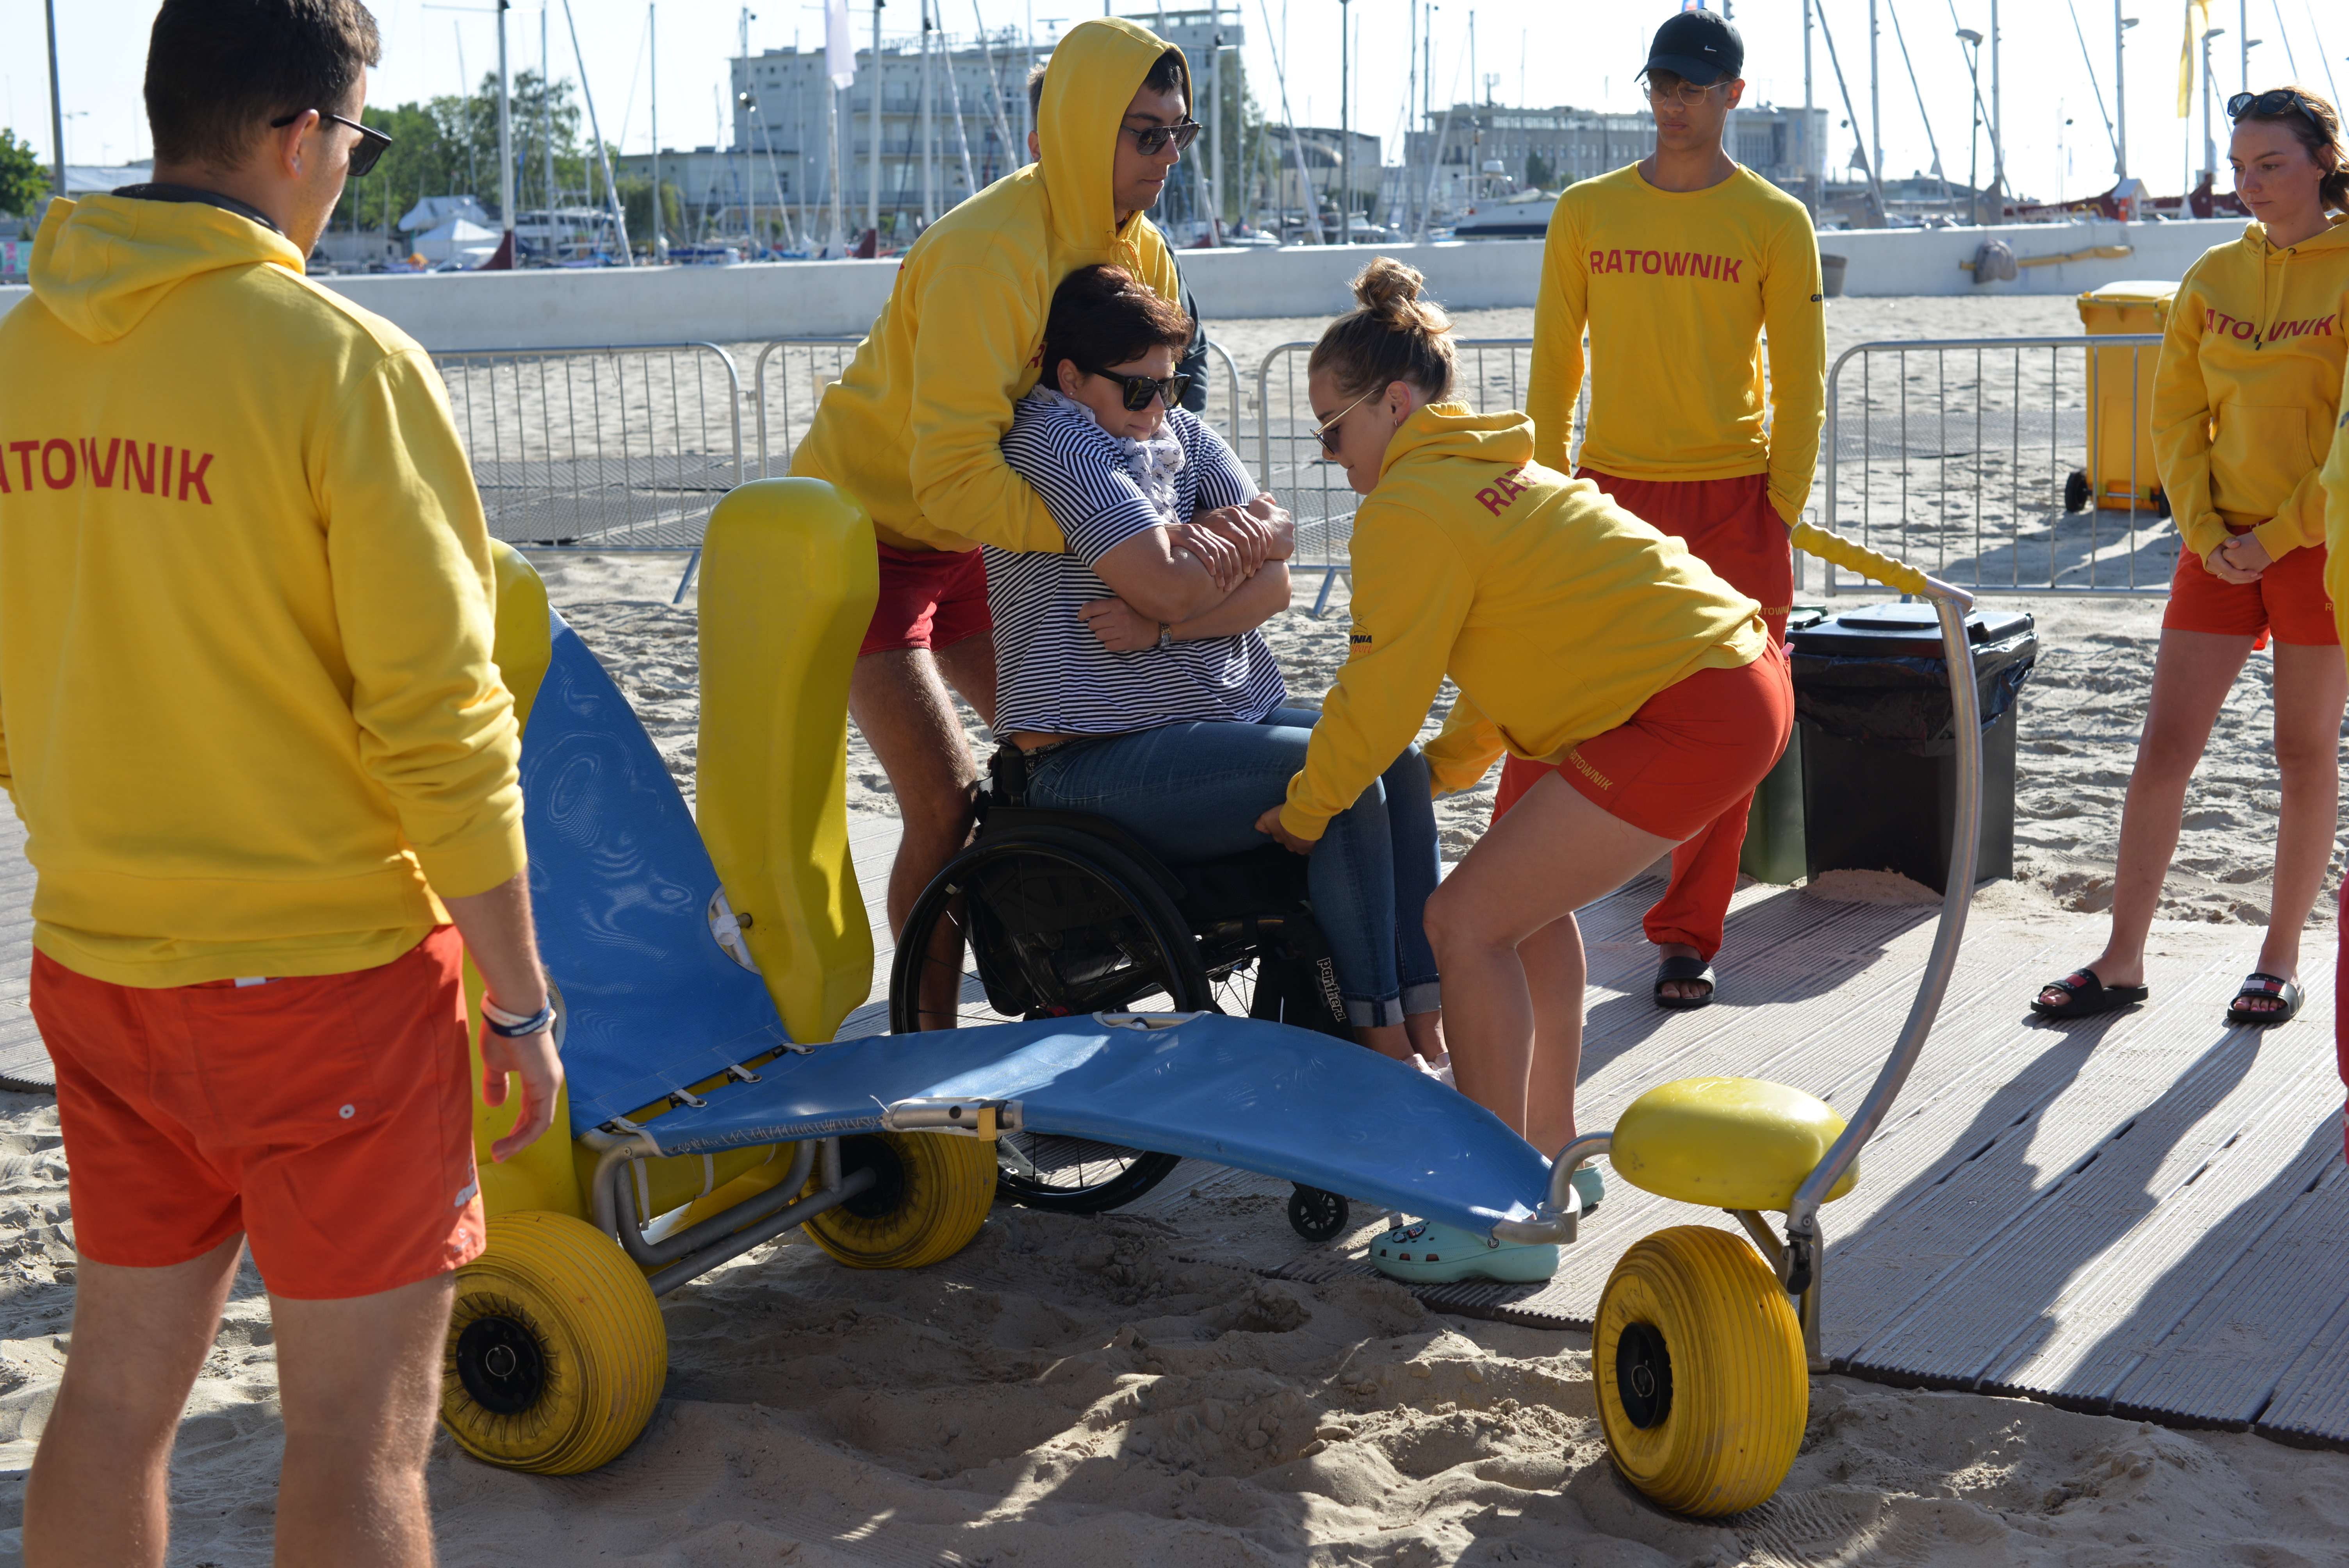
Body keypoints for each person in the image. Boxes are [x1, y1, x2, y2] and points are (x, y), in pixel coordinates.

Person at [0, 3, 563, 1565]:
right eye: (358, 144)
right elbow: (439, 720)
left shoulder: (19, 358)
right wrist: (519, 998)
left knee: (117, 1385)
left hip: (102, 956)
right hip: (328, 975)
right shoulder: (338, 360)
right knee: (358, 1428)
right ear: (298, 137)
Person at [1258, 259, 1786, 1281]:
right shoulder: (1485, 469)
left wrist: (1307, 810)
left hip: (1692, 705)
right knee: (1526, 913)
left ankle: (1494, 1215)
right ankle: (1551, 1156)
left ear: (1395, 404)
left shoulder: (1408, 507)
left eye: (1332, 429)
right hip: (1734, 673)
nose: (1328, 455)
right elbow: (1505, 663)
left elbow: (1379, 695)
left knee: (1463, 924)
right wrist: (1437, 773)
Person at [793, 19, 1281, 1024]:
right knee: (947, 803)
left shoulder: (1141, 246)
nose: (1167, 156)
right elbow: (948, 479)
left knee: (1063, 760)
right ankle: (924, 1041)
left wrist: (1199, 528)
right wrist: (1117, 538)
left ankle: (1055, 982)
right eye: (1144, 133)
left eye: (1178, 135)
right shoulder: (987, 251)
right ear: (1078, 128)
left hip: (987, 534)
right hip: (865, 542)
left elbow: (1156, 421)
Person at [990, 265, 1444, 1062]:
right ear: (1071, 377)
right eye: (1139, 389)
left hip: (1208, 716)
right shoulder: (1054, 437)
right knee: (1332, 775)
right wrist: (1217, 556)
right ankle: (1380, 1042)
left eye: (1169, 385)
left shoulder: (1179, 432)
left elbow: (1276, 582)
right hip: (1087, 754)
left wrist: (1164, 623)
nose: (1157, 408)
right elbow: (1168, 581)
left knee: (1395, 761)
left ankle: (1425, 1011)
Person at [1515, 7, 1824, 1010]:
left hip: (1735, 498)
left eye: (1691, 87)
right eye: (1659, 84)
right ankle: (1507, 900)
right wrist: (1548, 490)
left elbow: (1803, 380)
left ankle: (1687, 935)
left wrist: (1778, 506)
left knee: (1736, 725)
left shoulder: (1773, 219)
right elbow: (1554, 365)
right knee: (1555, 701)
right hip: (1609, 490)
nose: (1672, 104)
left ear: (1733, 95)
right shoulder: (1587, 209)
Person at [2034, 86, 2349, 1029]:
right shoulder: (2212, 275)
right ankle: (2120, 959)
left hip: (2318, 546)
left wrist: (2276, 537)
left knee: (2301, 753)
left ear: (2321, 163)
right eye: (2239, 167)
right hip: (2215, 549)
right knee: (2164, 747)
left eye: (2271, 165)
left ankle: (2276, 960)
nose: (2250, 184)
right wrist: (2206, 532)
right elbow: (2172, 417)